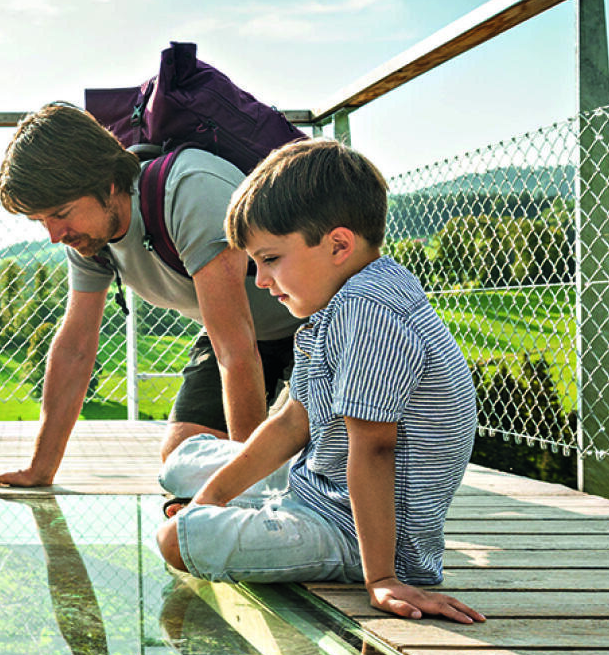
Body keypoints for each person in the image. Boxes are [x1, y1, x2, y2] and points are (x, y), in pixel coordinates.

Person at [157, 138, 486, 624]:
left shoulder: (369, 315)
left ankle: (346, 556)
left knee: (177, 541)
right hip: (317, 479)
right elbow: (293, 422)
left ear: (337, 245)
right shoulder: (336, 305)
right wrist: (211, 498)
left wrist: (382, 580)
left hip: (354, 529)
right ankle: (236, 507)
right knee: (183, 464)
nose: (262, 281)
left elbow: (374, 449)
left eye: (270, 259)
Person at [0, 102, 302, 489]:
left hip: (315, 325)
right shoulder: (89, 238)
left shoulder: (190, 191)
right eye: (41, 221)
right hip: (244, 336)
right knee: (184, 459)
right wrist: (41, 469)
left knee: (295, 462)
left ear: (108, 182)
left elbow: (234, 350)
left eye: (61, 213)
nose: (54, 234)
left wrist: (244, 493)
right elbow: (75, 348)